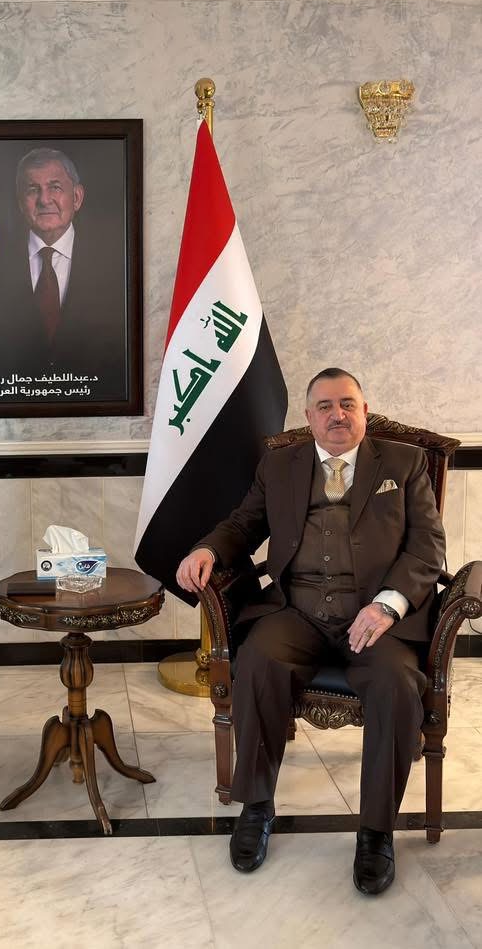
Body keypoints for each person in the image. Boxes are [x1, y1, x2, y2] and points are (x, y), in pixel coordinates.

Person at [176, 368, 445, 895]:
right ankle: (256, 808)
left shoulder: (405, 464)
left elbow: (427, 549)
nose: (336, 415)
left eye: (347, 404)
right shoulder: (280, 464)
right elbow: (243, 525)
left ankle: (376, 833)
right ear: (308, 417)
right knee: (258, 662)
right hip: (297, 612)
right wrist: (207, 548)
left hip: (375, 621)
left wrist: (387, 607)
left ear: (365, 411)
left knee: (395, 685)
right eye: (324, 406)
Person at [0, 147, 127, 402]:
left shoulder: (114, 265)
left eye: (55, 187)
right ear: (21, 202)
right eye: (33, 189)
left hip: (97, 410)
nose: (44, 199)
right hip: (15, 409)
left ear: (77, 197)